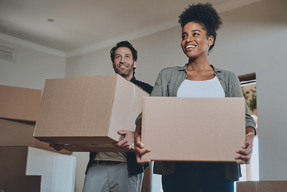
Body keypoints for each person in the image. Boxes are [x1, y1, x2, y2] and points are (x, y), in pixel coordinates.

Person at [134, 3, 256, 192]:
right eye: (184, 35)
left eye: (195, 34)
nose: (188, 39)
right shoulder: (168, 75)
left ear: (210, 39)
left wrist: (249, 137)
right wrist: (139, 134)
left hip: (219, 168)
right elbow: (148, 114)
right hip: (176, 168)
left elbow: (245, 119)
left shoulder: (228, 78)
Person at [51, 41, 152, 192]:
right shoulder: (101, 90)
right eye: (118, 57)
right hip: (97, 164)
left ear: (134, 63)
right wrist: (64, 141)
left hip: (128, 166)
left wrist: (136, 134)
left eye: (127, 56)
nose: (122, 60)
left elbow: (156, 126)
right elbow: (85, 122)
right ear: (113, 64)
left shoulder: (147, 90)